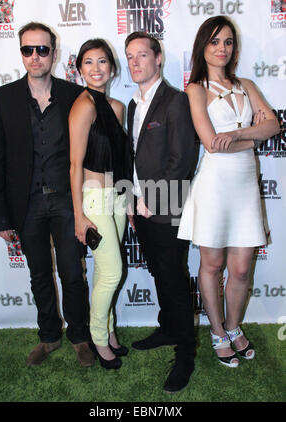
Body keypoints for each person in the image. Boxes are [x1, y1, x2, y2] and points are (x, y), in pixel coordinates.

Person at [0, 22, 94, 368]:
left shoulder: (73, 94)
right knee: (38, 275)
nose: (35, 57)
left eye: (42, 50)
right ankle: (49, 336)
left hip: (65, 201)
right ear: (21, 53)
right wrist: (1, 217)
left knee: (71, 273)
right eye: (27, 50)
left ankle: (79, 336)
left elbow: (87, 151)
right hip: (27, 204)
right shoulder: (2, 97)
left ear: (54, 53)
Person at [178, 16, 280, 368]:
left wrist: (238, 135)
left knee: (239, 269)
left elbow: (273, 125)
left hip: (245, 184)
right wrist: (252, 133)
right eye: (215, 41)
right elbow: (210, 143)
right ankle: (218, 330)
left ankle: (234, 326)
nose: (222, 48)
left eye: (228, 42)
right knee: (213, 263)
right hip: (215, 185)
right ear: (202, 47)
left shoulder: (246, 85)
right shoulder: (195, 89)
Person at [125, 31, 196, 393]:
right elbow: (135, 159)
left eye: (142, 55)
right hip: (141, 208)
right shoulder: (134, 105)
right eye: (130, 57)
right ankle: (168, 329)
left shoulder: (176, 101)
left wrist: (152, 202)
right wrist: (134, 204)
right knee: (159, 275)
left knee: (174, 280)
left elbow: (181, 160)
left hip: (165, 210)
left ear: (159, 58)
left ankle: (186, 354)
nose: (135, 63)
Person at [69, 39, 129, 370]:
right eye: (88, 62)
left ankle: (108, 329)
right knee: (113, 272)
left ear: (112, 67)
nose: (96, 69)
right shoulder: (83, 106)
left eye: (102, 61)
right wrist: (79, 216)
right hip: (93, 199)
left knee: (106, 271)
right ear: (79, 70)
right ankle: (99, 339)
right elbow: (75, 165)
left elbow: (121, 159)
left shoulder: (117, 107)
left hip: (117, 196)